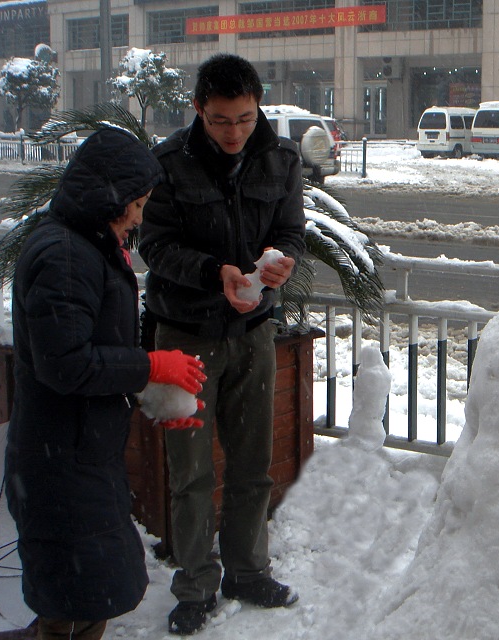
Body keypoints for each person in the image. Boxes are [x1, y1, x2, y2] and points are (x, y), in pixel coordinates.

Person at [5, 127, 207, 640]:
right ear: (108, 196)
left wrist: (154, 398)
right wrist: (150, 367)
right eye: (135, 204)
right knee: (75, 597)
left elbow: (92, 356)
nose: (139, 218)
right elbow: (67, 364)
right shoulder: (65, 257)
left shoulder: (85, 247)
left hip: (79, 455)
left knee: (87, 593)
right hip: (61, 465)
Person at [138, 53, 306, 635]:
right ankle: (195, 584)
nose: (233, 132)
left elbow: (290, 228)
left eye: (242, 118)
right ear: (197, 110)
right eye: (218, 120)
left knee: (253, 464)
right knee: (189, 473)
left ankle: (247, 569)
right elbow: (154, 248)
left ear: (258, 105)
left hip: (254, 333)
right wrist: (217, 273)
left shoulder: (280, 158)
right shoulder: (166, 164)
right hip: (182, 339)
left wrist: (280, 262)